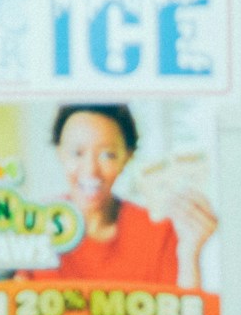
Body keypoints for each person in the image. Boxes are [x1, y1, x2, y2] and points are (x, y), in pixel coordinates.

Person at [47, 104, 217, 290]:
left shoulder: (159, 232)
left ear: (127, 157)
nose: (91, 170)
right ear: (59, 153)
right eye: (77, 153)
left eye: (107, 155)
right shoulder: (31, 228)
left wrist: (189, 253)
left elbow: (184, 313)